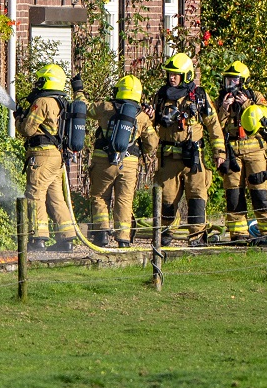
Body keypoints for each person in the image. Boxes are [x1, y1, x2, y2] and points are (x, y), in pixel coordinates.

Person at [153, 51, 224, 245]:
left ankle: (197, 237)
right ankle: (166, 234)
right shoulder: (161, 96)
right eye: (169, 74)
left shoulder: (199, 96)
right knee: (167, 199)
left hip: (194, 159)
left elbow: (214, 125)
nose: (172, 77)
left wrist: (220, 152)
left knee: (197, 198)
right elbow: (151, 124)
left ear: (187, 75)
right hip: (168, 159)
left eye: (176, 74)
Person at [85, 75, 158, 247]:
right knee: (124, 200)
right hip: (129, 163)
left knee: (100, 197)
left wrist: (79, 93)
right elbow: (152, 144)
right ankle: (123, 239)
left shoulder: (106, 107)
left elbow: (86, 110)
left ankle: (101, 235)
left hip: (104, 160)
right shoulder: (141, 116)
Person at [17, 63, 81, 249]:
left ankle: (38, 238)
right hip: (56, 157)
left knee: (34, 194)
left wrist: (20, 119)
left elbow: (28, 130)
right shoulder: (62, 102)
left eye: (40, 80)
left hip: (42, 156)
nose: (37, 84)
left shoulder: (42, 102)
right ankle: (67, 238)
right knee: (55, 197)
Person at [213, 60, 267, 241]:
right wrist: (224, 108)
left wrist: (247, 104)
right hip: (232, 151)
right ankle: (239, 234)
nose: (230, 84)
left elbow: (265, 121)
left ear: (243, 81)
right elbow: (216, 126)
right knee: (233, 194)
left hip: (254, 150)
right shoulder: (221, 99)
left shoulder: (256, 96)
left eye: (234, 80)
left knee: (260, 192)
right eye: (228, 80)